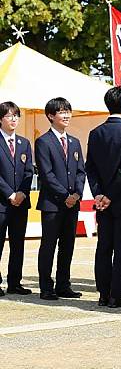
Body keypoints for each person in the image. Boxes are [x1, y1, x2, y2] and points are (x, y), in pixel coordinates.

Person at [86, 86, 121, 308]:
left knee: (104, 246)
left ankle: (103, 293)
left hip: (102, 202)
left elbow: (91, 168)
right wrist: (108, 195)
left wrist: (99, 194)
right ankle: (117, 295)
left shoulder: (96, 132)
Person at [36, 98, 86, 300]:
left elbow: (81, 171)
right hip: (52, 204)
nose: (66, 116)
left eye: (68, 111)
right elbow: (46, 174)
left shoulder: (74, 142)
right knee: (49, 245)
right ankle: (46, 286)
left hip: (72, 204)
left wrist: (77, 194)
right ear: (50, 116)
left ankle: (63, 284)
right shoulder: (43, 142)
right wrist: (65, 196)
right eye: (61, 112)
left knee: (68, 245)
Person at [0, 102, 34, 297]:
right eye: (9, 116)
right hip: (2, 202)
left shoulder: (24, 143)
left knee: (18, 244)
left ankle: (15, 282)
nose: (13, 119)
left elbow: (29, 171)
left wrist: (22, 192)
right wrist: (9, 193)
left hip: (21, 203)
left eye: (16, 116)